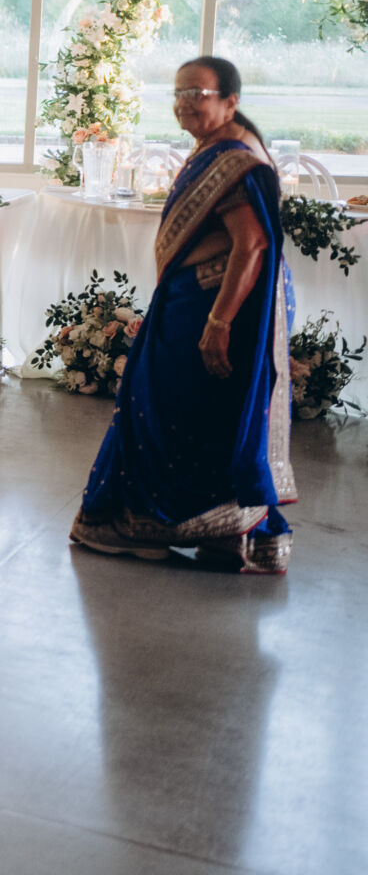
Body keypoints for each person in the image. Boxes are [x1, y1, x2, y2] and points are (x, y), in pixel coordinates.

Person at [70, 56, 296, 575]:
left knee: (165, 409)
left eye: (197, 93)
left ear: (230, 102)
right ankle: (223, 532)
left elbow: (252, 244)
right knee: (204, 415)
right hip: (202, 299)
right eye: (178, 93)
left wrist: (218, 323)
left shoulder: (236, 161)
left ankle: (141, 524)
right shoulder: (220, 146)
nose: (184, 103)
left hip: (212, 305)